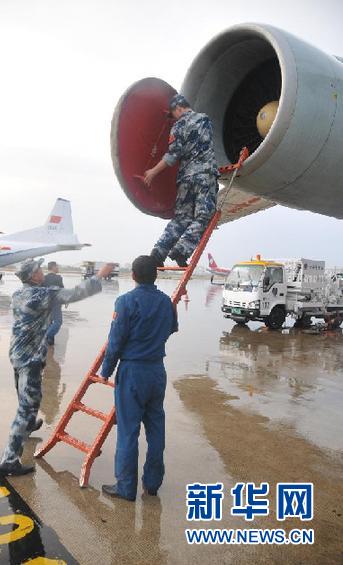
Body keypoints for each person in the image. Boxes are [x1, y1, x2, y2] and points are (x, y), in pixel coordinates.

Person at [0, 258, 115, 477]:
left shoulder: (18, 294)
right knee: (27, 408)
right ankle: (9, 460)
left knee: (24, 399)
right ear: (34, 276)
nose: (42, 271)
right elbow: (74, 294)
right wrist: (99, 276)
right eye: (39, 270)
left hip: (17, 355)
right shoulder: (41, 295)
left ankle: (30, 425)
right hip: (30, 361)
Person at [101, 255, 178, 501]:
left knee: (128, 431)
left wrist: (106, 371)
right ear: (155, 275)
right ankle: (152, 483)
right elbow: (171, 329)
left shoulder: (125, 301)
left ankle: (125, 488)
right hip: (156, 371)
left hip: (133, 371)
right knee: (156, 428)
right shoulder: (166, 302)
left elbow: (115, 341)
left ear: (133, 276)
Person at [144, 93, 219, 267]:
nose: (173, 118)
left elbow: (172, 156)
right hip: (204, 175)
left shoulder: (176, 128)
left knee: (181, 218)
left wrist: (152, 172)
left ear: (179, 108)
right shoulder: (204, 120)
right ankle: (181, 250)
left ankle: (158, 252)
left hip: (185, 179)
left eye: (173, 114)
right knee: (203, 216)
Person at [44, 261, 64, 346]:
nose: (58, 268)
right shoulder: (58, 278)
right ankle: (45, 337)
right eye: (57, 266)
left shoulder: (44, 278)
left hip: (45, 303)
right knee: (58, 322)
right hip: (56, 303)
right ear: (53, 267)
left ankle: (50, 343)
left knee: (49, 322)